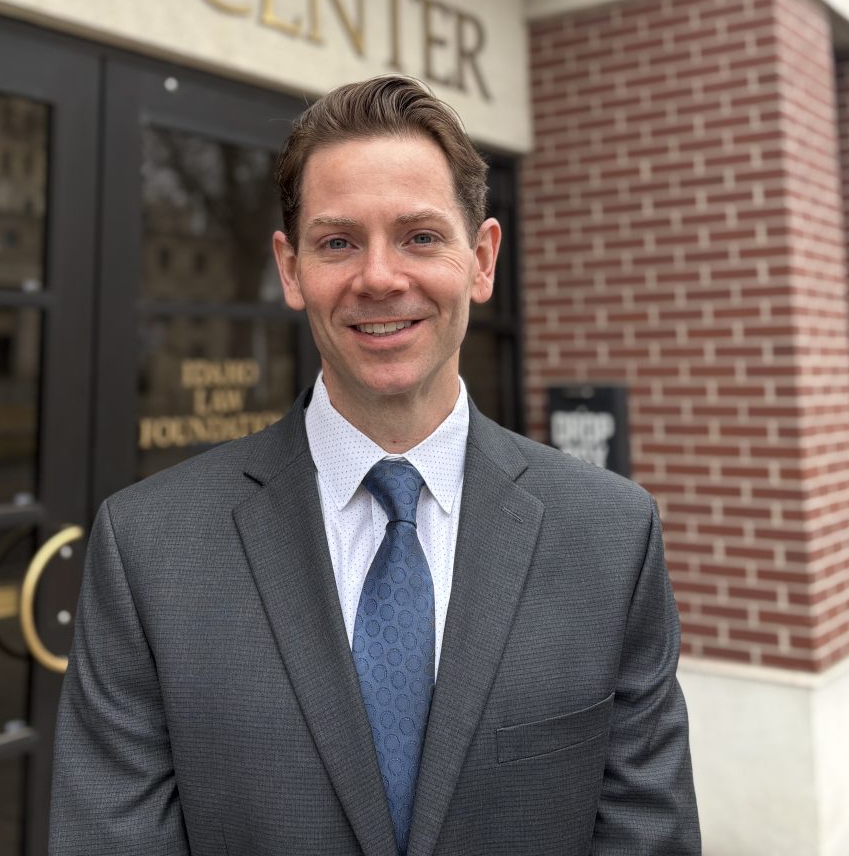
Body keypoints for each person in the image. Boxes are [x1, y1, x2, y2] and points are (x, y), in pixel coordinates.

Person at [50, 75, 700, 855]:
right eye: (338, 242)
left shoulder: (612, 537)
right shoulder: (148, 548)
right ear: (291, 271)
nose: (380, 277)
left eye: (420, 236)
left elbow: (646, 836)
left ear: (482, 259)